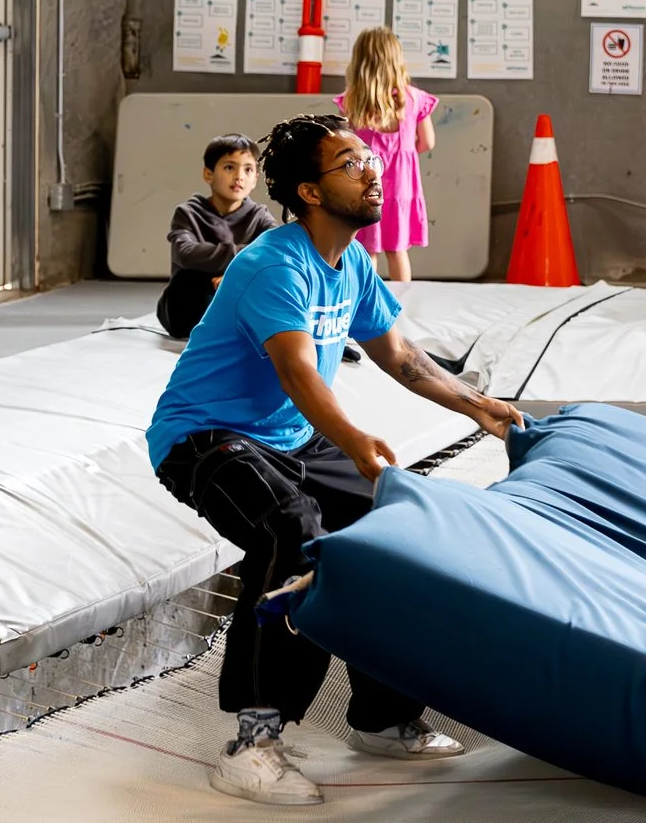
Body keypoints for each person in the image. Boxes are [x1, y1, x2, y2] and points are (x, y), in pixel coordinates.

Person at [145, 113, 527, 806]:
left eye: (368, 159)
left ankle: (382, 715)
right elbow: (297, 372)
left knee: (398, 527)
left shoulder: (352, 262)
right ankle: (252, 741)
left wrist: (479, 406)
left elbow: (403, 358)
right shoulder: (271, 263)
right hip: (206, 437)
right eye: (351, 164)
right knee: (293, 532)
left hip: (290, 436)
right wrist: (353, 440)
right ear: (311, 193)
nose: (373, 171)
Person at [335, 28, 437, 282]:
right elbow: (427, 142)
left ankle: (364, 303)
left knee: (367, 248)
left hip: (365, 186)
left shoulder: (353, 100)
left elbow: (347, 145)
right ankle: (403, 305)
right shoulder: (413, 99)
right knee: (397, 250)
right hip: (401, 188)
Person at [158, 135, 273, 339]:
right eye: (229, 167)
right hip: (190, 306)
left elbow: (274, 252)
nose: (239, 176)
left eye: (248, 169)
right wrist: (243, 258)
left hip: (237, 296)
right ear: (208, 174)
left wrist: (231, 276)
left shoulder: (260, 216)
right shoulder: (188, 213)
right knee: (187, 278)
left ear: (255, 179)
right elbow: (185, 253)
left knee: (273, 274)